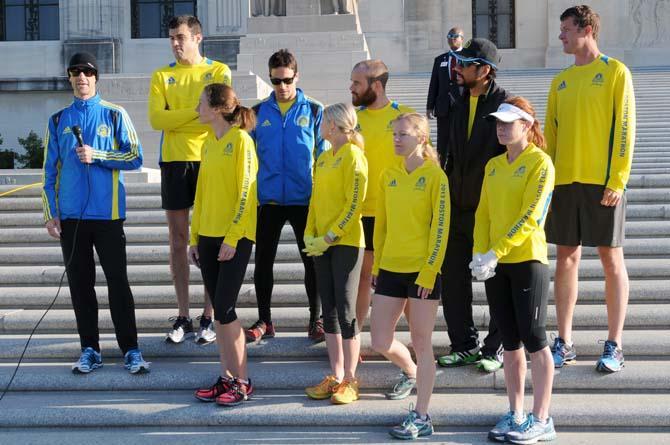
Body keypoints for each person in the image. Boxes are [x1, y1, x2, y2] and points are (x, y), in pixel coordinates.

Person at [42, 52, 149, 375]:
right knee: (80, 284)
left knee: (118, 282)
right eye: (75, 73)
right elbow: (49, 171)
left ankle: (130, 349)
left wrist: (98, 154)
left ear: (96, 77)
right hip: (72, 218)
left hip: (108, 215)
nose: (81, 78)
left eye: (87, 72)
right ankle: (90, 348)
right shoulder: (59, 119)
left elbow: (135, 156)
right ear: (70, 78)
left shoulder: (115, 114)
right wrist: (51, 213)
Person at [544, 5, 636, 373]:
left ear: (586, 29)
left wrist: (618, 178)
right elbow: (549, 138)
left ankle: (615, 343)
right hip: (565, 182)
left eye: (566, 29)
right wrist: (547, 183)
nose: (561, 36)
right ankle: (564, 342)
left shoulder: (615, 72)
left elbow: (625, 126)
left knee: (611, 259)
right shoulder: (560, 80)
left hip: (603, 183)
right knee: (565, 258)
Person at [472, 97, 556, 444]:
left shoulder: (540, 163)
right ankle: (516, 412)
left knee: (535, 339)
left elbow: (532, 214)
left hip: (527, 261)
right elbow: (484, 213)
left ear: (526, 125)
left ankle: (542, 418)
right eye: (498, 122)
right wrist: (480, 253)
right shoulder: (493, 165)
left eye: (509, 122)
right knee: (509, 343)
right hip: (496, 263)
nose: (502, 128)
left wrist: (497, 250)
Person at [148, 15, 232, 345]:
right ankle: (183, 315)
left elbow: (220, 114)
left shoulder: (218, 71)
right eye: (171, 38)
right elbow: (156, 119)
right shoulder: (162, 75)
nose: (175, 43)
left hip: (210, 158)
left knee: (211, 237)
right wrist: (199, 113)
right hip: (174, 161)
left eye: (181, 37)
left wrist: (177, 119)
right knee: (178, 239)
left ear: (198, 37)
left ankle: (208, 316)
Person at [370, 113, 449, 440]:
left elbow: (440, 228)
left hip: (422, 272)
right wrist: (376, 267)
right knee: (378, 340)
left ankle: (422, 415)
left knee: (421, 342)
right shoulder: (389, 174)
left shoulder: (435, 177)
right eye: (394, 134)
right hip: (390, 268)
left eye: (402, 134)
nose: (396, 139)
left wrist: (430, 270)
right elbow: (382, 226)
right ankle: (412, 373)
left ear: (421, 138)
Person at [246, 49, 327, 343]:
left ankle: (315, 320)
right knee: (263, 262)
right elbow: (246, 156)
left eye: (286, 80)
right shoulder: (256, 113)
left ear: (297, 76)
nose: (281, 87)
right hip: (268, 200)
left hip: (305, 199)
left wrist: (323, 196)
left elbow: (325, 157)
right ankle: (264, 320)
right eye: (275, 81)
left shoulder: (315, 110)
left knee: (312, 263)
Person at [436, 38, 505, 373]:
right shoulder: (455, 99)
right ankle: (463, 345)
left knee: (494, 280)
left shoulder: (505, 105)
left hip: (489, 211)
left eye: (466, 64)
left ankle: (496, 347)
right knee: (452, 279)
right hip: (457, 206)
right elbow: (445, 153)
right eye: (459, 63)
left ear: (485, 70)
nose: (458, 69)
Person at [190, 84, 258, 406]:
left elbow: (246, 191)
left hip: (236, 237)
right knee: (219, 312)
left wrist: (233, 237)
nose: (196, 109)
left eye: (201, 104)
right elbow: (201, 194)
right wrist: (194, 237)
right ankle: (226, 377)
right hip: (208, 236)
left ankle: (243, 381)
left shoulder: (241, 141)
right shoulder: (207, 144)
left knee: (227, 310)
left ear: (217, 108)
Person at [303, 103, 368, 405]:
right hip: (321, 243)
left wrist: (330, 236)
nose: (320, 125)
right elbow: (316, 201)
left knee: (345, 309)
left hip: (345, 242)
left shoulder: (353, 156)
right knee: (327, 308)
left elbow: (354, 204)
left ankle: (350, 379)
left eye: (323, 121)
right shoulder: (324, 157)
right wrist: (309, 232)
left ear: (333, 125)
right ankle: (335, 375)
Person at [349, 59, 414, 334]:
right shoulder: (353, 122)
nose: (351, 88)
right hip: (363, 213)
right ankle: (356, 338)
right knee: (364, 278)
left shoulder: (405, 118)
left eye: (356, 83)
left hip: (398, 214)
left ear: (376, 85)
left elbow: (424, 164)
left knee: (404, 279)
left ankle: (417, 340)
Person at [426, 26, 464, 158]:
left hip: (462, 105)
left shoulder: (468, 58)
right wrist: (430, 106)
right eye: (449, 37)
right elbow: (434, 84)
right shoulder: (440, 59)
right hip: (443, 107)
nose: (451, 39)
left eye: (455, 36)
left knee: (461, 139)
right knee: (443, 141)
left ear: (461, 39)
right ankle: (441, 169)